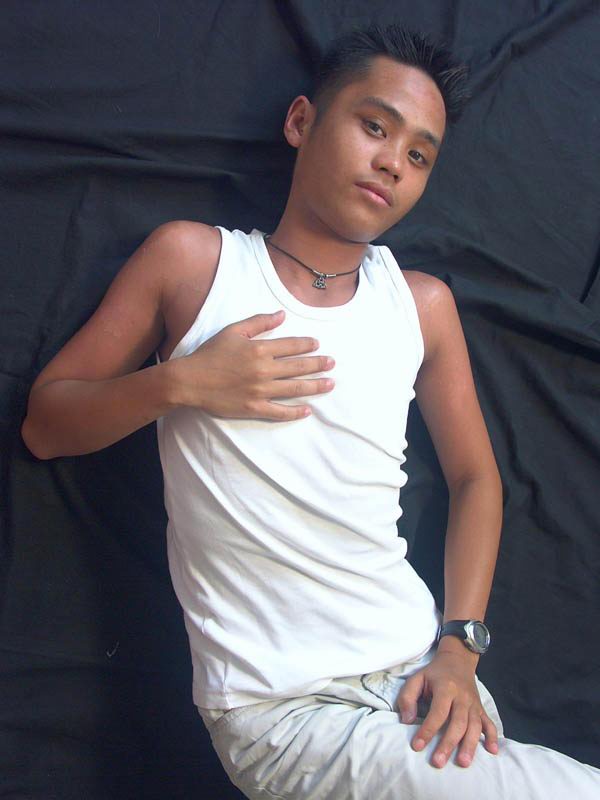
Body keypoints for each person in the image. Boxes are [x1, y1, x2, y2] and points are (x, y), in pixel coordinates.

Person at [21, 22, 599, 800]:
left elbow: (476, 479)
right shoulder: (195, 264)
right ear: (302, 121)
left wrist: (460, 649)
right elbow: (45, 425)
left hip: (425, 679)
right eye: (375, 127)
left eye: (419, 155)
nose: (392, 162)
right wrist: (181, 384)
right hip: (286, 710)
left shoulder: (421, 306)